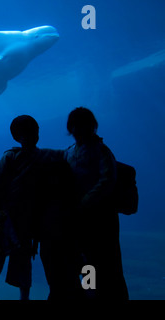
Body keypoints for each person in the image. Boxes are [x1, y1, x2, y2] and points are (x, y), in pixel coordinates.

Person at [0, 115, 83, 300]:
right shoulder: (17, 156)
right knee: (7, 261)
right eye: (28, 133)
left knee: (10, 260)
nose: (32, 136)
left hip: (15, 221)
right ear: (17, 136)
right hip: (11, 220)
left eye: (34, 132)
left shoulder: (30, 156)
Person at [65, 107, 129, 300]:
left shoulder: (101, 151)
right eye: (74, 126)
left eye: (80, 125)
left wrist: (84, 202)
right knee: (86, 258)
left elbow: (107, 180)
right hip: (81, 218)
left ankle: (113, 296)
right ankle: (90, 294)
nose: (77, 130)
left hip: (102, 217)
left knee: (108, 261)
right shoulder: (69, 153)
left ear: (91, 127)